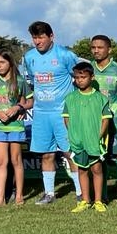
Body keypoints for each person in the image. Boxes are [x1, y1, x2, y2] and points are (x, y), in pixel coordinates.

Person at [19, 20, 81, 205]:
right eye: (34, 38)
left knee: (70, 153)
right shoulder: (29, 57)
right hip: (41, 113)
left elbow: (80, 78)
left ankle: (80, 192)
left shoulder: (65, 55)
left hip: (63, 114)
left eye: (41, 37)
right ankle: (49, 193)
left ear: (51, 36)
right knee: (46, 154)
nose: (37, 41)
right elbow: (30, 82)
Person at [62, 62, 112, 213]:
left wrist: (99, 136)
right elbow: (66, 118)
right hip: (78, 141)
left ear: (92, 77)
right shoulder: (70, 98)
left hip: (94, 142)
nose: (80, 80)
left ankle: (98, 201)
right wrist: (73, 134)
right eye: (77, 77)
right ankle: (84, 200)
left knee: (96, 169)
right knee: (82, 170)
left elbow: (106, 119)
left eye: (83, 77)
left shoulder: (100, 98)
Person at [90, 34, 117, 205]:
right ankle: (102, 194)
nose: (96, 51)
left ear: (109, 49)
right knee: (98, 157)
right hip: (95, 123)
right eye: (93, 47)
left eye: (100, 47)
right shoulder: (88, 70)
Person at [0, 48, 27, 206]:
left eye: (2, 62)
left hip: (16, 127)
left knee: (16, 160)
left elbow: (28, 101)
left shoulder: (20, 81)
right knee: (1, 162)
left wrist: (18, 107)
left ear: (10, 63)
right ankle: (0, 198)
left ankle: (19, 196)